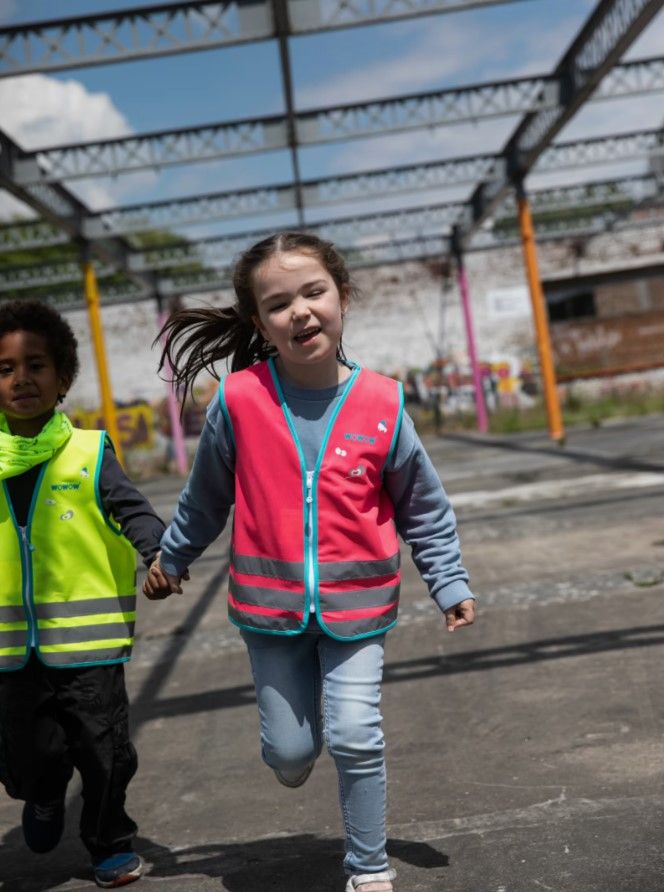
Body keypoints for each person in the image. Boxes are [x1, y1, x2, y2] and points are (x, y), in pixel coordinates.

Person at [143, 232, 476, 892]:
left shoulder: (383, 402)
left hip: (360, 612)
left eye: (314, 292)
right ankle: (293, 753)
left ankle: (369, 867)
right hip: (269, 615)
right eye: (278, 303)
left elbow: (423, 505)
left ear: (342, 297)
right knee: (291, 754)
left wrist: (449, 580)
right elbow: (205, 498)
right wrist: (172, 558)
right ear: (259, 323)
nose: (300, 310)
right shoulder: (239, 401)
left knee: (356, 735)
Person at [0, 300, 165, 888]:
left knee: (106, 752)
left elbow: (134, 510)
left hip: (89, 649)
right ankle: (44, 794)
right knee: (26, 756)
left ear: (63, 376)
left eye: (36, 365)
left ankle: (108, 842)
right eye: (5, 369)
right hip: (10, 653)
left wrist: (157, 553)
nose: (21, 379)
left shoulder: (90, 452)